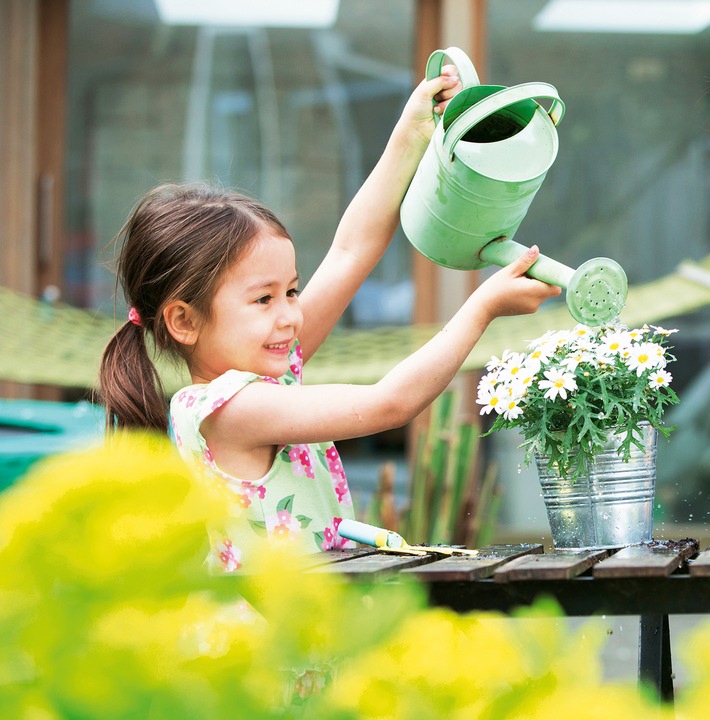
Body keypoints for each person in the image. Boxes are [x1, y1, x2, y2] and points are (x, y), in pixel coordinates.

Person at [99, 64, 561, 568]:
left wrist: (411, 133)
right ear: (184, 321)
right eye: (263, 299)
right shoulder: (226, 410)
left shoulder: (268, 375)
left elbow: (350, 251)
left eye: (292, 291)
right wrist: (483, 307)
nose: (290, 315)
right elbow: (389, 404)